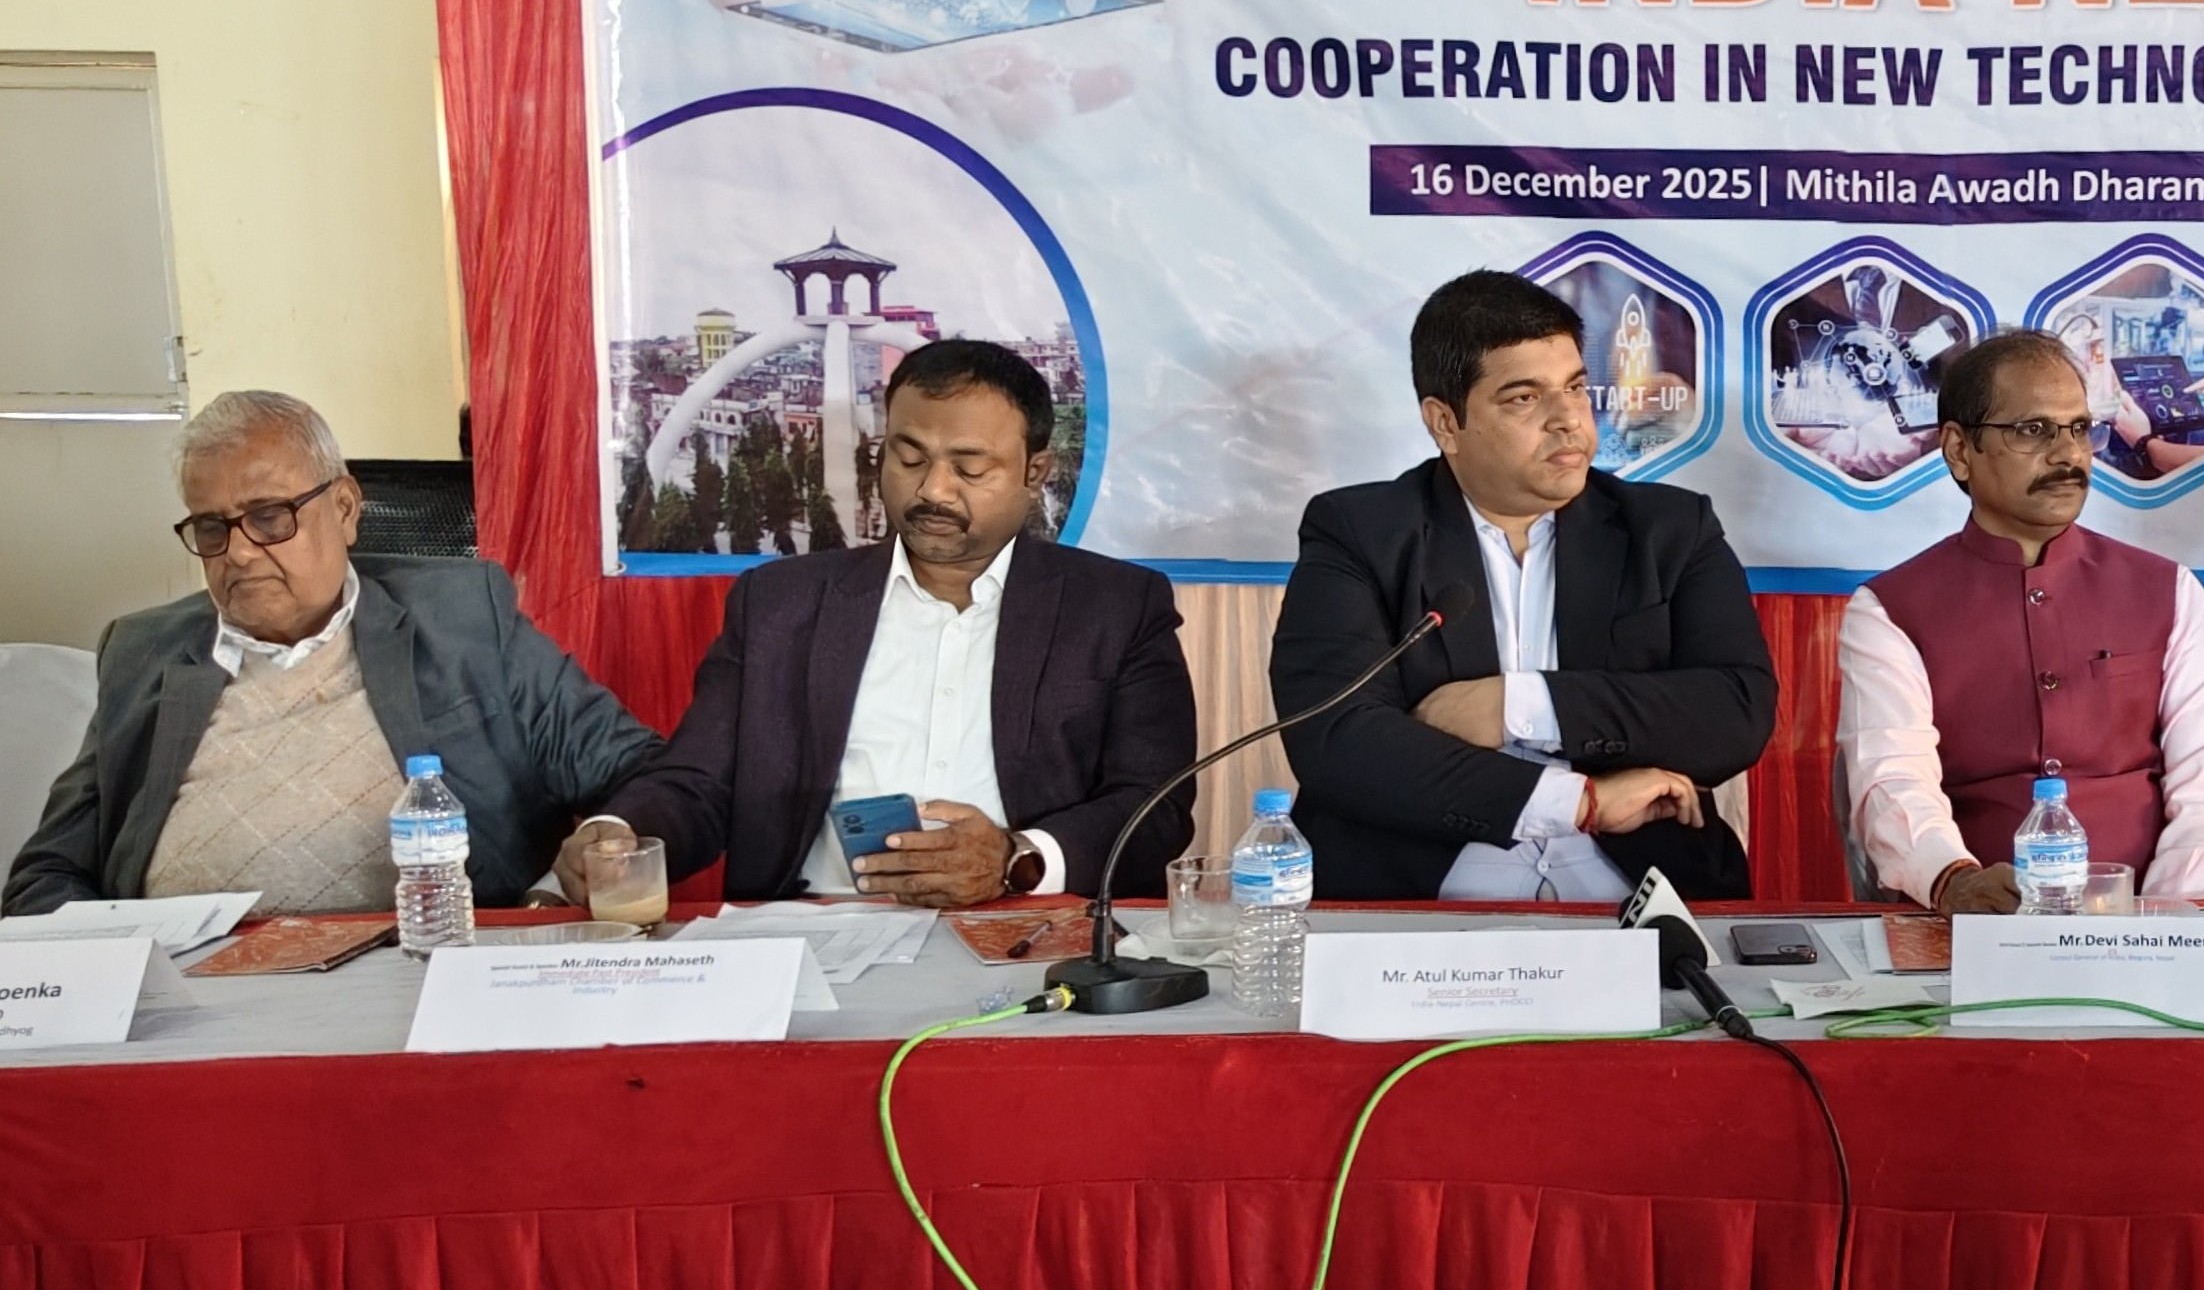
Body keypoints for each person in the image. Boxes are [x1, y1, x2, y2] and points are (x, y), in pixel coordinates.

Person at [573, 340, 1198, 904]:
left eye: (969, 467)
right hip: (817, 932)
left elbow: (1155, 808)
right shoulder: (780, 604)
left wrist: (1017, 860)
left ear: (1035, 473)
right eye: (910, 457)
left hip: (1027, 933)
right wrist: (620, 834)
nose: (934, 491)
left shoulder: (1115, 608)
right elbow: (698, 783)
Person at [7, 391, 654, 914]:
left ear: (344, 508)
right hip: (187, 1001)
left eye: (269, 516)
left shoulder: (463, 619)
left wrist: (600, 838)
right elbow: (45, 875)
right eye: (211, 527)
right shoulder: (144, 653)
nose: (239, 552)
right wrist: (121, 965)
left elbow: (638, 768)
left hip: (423, 974)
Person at [1269, 271, 1775, 901]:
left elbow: (1736, 712)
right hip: (1423, 899)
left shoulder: (1670, 530)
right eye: (1524, 398)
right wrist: (1580, 801)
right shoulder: (1361, 532)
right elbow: (1338, 738)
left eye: (1575, 388)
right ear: (1445, 423)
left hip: (1639, 890)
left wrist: (1517, 705)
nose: (1568, 420)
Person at [1838, 329, 2204, 910]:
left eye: (2079, 429)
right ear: (1959, 450)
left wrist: (2156, 926)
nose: (2068, 455)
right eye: (2033, 430)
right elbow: (1892, 779)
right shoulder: (1890, 610)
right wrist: (1954, 882)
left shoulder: (2169, 592)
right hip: (1965, 929)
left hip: (2151, 927)